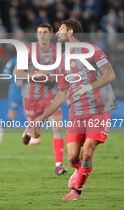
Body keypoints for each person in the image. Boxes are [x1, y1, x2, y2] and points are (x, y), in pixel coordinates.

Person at [33, 19, 118, 200]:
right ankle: (79, 170)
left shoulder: (92, 50)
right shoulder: (62, 61)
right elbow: (62, 94)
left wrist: (90, 87)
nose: (56, 33)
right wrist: (42, 117)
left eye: (60, 29)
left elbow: (110, 74)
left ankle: (76, 191)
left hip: (99, 109)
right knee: (72, 158)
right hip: (76, 112)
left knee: (87, 151)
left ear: (70, 32)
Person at [14, 23, 67, 175]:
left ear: (50, 35)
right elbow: (16, 72)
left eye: (45, 32)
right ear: (37, 35)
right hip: (31, 97)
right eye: (40, 32)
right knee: (36, 132)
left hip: (51, 95)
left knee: (57, 128)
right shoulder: (29, 51)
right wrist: (33, 75)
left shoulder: (58, 52)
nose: (42, 35)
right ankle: (29, 131)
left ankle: (59, 166)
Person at [0, 56, 23, 145]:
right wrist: (15, 80)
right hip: (16, 91)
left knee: (32, 113)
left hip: (29, 91)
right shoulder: (14, 60)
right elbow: (5, 73)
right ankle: (0, 130)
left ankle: (30, 136)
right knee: (11, 115)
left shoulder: (34, 60)